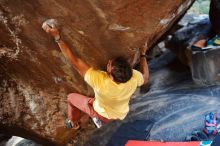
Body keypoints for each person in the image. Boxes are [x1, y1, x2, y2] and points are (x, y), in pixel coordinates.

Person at [42, 21, 149, 129]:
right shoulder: (133, 77)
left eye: (109, 65)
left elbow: (75, 62)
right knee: (94, 100)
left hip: (102, 114)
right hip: (120, 113)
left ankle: (73, 122)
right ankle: (89, 114)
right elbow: (145, 78)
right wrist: (143, 54)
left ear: (110, 74)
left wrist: (57, 37)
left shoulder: (100, 81)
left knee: (70, 98)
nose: (108, 62)